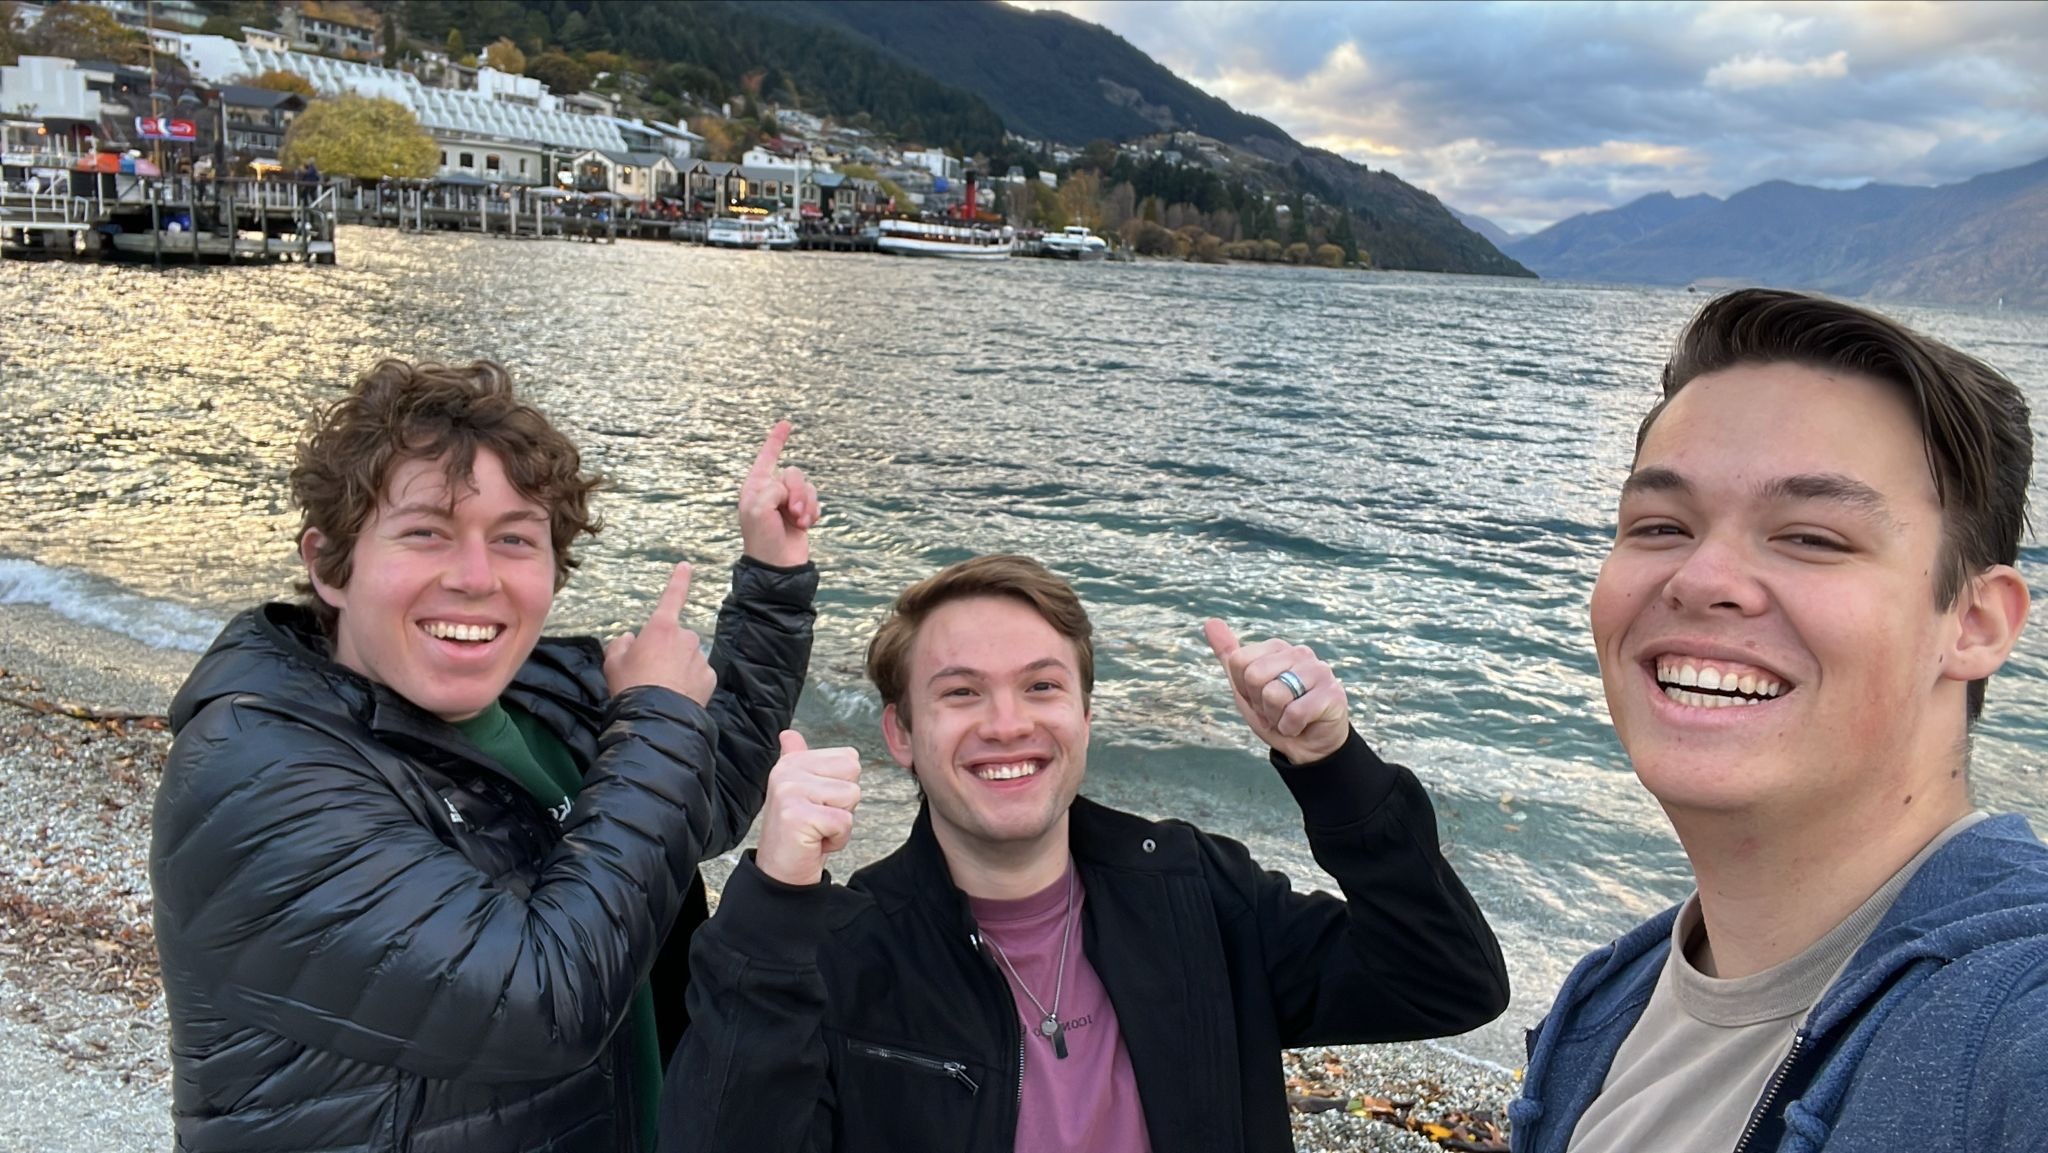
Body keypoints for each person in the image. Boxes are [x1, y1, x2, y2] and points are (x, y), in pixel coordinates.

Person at [152, 359, 821, 1152]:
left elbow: (698, 795)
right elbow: (543, 999)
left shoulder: (541, 696)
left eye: (514, 538)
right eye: (426, 531)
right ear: (330, 564)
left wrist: (773, 578)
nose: (476, 577)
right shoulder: (256, 774)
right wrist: (655, 719)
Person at [662, 554, 1511, 1153]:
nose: (1008, 723)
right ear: (902, 734)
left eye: (1042, 685)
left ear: (1085, 716)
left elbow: (1447, 978)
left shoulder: (1196, 894)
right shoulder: (841, 952)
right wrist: (775, 898)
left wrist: (1331, 766)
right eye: (961, 692)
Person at [1510, 289, 2045, 1153]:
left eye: (1811, 537)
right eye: (1661, 525)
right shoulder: (1606, 1003)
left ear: (1975, 623)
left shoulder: (2014, 1022)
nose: (1700, 577)